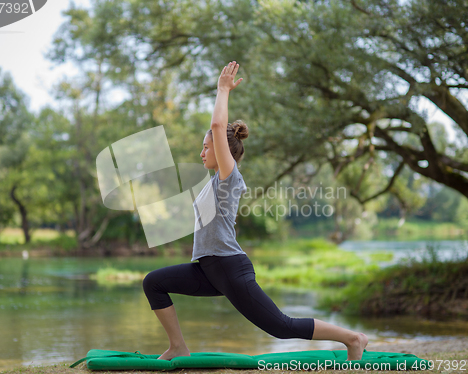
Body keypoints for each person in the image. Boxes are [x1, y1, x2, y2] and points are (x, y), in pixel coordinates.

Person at [142, 61, 368, 361]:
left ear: (222, 149)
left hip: (228, 267)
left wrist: (222, 91)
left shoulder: (228, 177)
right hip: (207, 268)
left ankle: (353, 338)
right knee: (153, 283)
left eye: (206, 147)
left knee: (281, 327)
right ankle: (178, 346)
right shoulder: (212, 183)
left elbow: (219, 127)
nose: (202, 153)